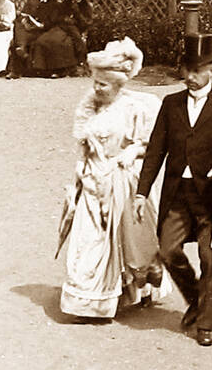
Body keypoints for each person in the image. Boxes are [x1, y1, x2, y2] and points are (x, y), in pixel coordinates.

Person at [136, 33, 212, 348]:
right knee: (168, 249)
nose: (190, 76)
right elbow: (155, 152)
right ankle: (196, 299)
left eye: (198, 69)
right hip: (177, 193)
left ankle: (205, 323)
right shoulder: (170, 104)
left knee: (209, 257)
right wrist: (141, 192)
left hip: (211, 197)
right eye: (186, 69)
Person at [60, 37, 169, 320]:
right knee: (89, 240)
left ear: (119, 85)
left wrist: (131, 152)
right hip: (92, 181)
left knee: (127, 239)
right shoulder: (89, 106)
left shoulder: (137, 107)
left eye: (103, 84)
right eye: (95, 82)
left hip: (119, 179)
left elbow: (149, 144)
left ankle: (134, 288)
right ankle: (88, 301)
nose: (97, 89)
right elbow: (83, 143)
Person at [31, 0, 93, 77]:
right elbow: (58, 16)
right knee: (43, 40)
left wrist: (77, 13)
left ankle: (59, 70)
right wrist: (64, 18)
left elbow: (86, 23)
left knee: (61, 43)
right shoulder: (67, 2)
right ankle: (42, 69)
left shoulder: (85, 5)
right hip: (61, 27)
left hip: (75, 30)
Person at [10, 0, 59, 79]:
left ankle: (21, 48)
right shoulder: (31, 2)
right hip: (28, 30)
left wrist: (40, 25)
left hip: (43, 31)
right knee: (18, 26)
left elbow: (52, 22)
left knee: (24, 38)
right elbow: (23, 15)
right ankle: (16, 69)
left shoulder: (55, 5)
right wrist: (24, 21)